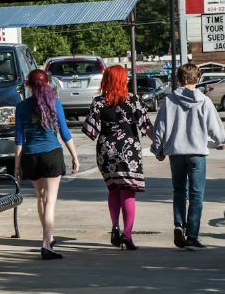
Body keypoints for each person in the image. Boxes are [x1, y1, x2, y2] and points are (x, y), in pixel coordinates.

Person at [150, 64, 225, 250]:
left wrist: (158, 149)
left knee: (179, 191)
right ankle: (192, 235)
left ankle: (178, 224)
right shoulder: (204, 101)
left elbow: (159, 128)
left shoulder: (169, 101)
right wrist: (220, 141)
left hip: (175, 153)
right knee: (196, 194)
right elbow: (215, 127)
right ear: (197, 79)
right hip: (197, 154)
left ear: (179, 79)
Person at [82, 65, 153, 250]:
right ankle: (127, 235)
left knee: (113, 189)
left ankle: (115, 225)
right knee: (128, 191)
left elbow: (90, 132)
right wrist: (160, 146)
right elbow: (146, 127)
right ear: (122, 80)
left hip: (106, 150)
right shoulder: (134, 101)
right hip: (128, 150)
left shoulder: (98, 102)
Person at [14, 69, 80, 260]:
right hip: (51, 154)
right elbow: (65, 134)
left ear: (28, 85)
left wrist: (17, 166)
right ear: (48, 83)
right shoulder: (55, 104)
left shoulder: (21, 107)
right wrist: (74, 157)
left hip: (30, 156)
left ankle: (48, 237)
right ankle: (46, 244)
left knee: (40, 197)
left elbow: (19, 138)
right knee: (50, 200)